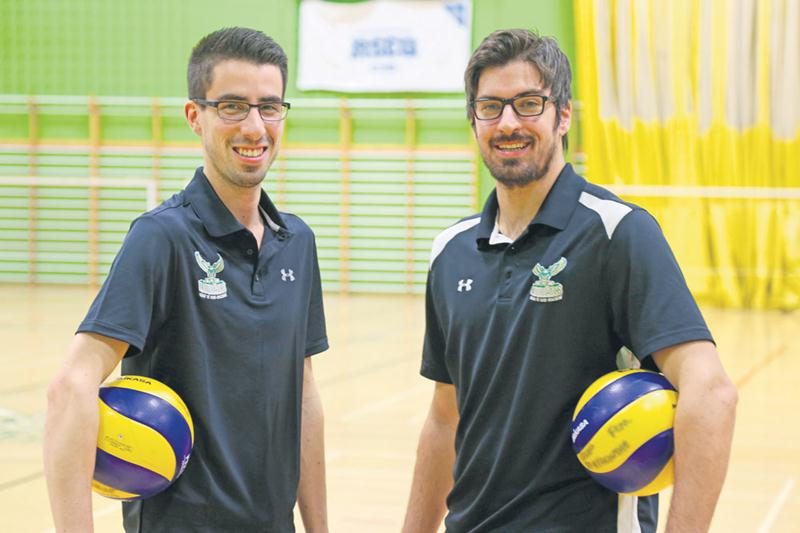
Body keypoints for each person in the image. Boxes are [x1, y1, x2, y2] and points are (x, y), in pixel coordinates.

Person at [402, 29, 737, 533]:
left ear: (563, 116)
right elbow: (444, 419)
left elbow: (710, 393)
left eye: (528, 103)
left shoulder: (617, 233)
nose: (508, 122)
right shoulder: (450, 252)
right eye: (490, 106)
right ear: (473, 121)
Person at [44, 27, 329, 533]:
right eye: (233, 106)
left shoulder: (297, 243)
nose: (255, 126)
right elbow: (71, 387)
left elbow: (303, 396)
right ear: (195, 116)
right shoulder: (162, 238)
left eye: (269, 106)